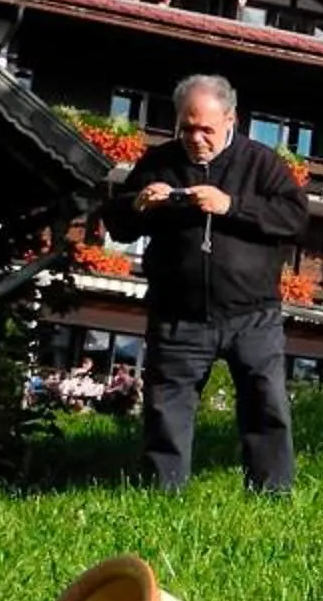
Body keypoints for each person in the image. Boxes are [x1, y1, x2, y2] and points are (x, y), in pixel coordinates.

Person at [103, 72, 310, 494]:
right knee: (166, 410)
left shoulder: (261, 162)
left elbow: (295, 219)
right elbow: (117, 224)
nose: (196, 138)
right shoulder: (159, 162)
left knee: (265, 405)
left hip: (253, 314)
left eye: (206, 129)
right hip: (178, 316)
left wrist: (232, 206)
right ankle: (162, 496)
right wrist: (138, 204)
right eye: (186, 127)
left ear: (231, 119)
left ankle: (272, 495)